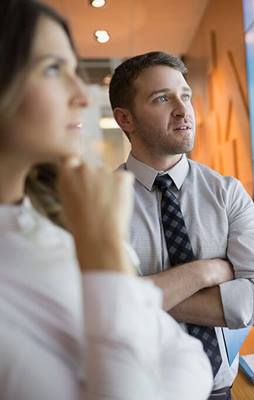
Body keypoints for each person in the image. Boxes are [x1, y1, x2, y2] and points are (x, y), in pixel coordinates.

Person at [0, 1, 213, 399]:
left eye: (73, 70)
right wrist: (104, 255)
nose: (81, 95)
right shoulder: (94, 224)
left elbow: (190, 358)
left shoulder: (58, 220)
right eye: (52, 69)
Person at [110, 51, 254, 398]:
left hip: (221, 391)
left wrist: (139, 295)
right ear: (125, 118)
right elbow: (105, 314)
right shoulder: (102, 206)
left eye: (185, 95)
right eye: (162, 98)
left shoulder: (228, 193)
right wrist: (205, 272)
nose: (183, 110)